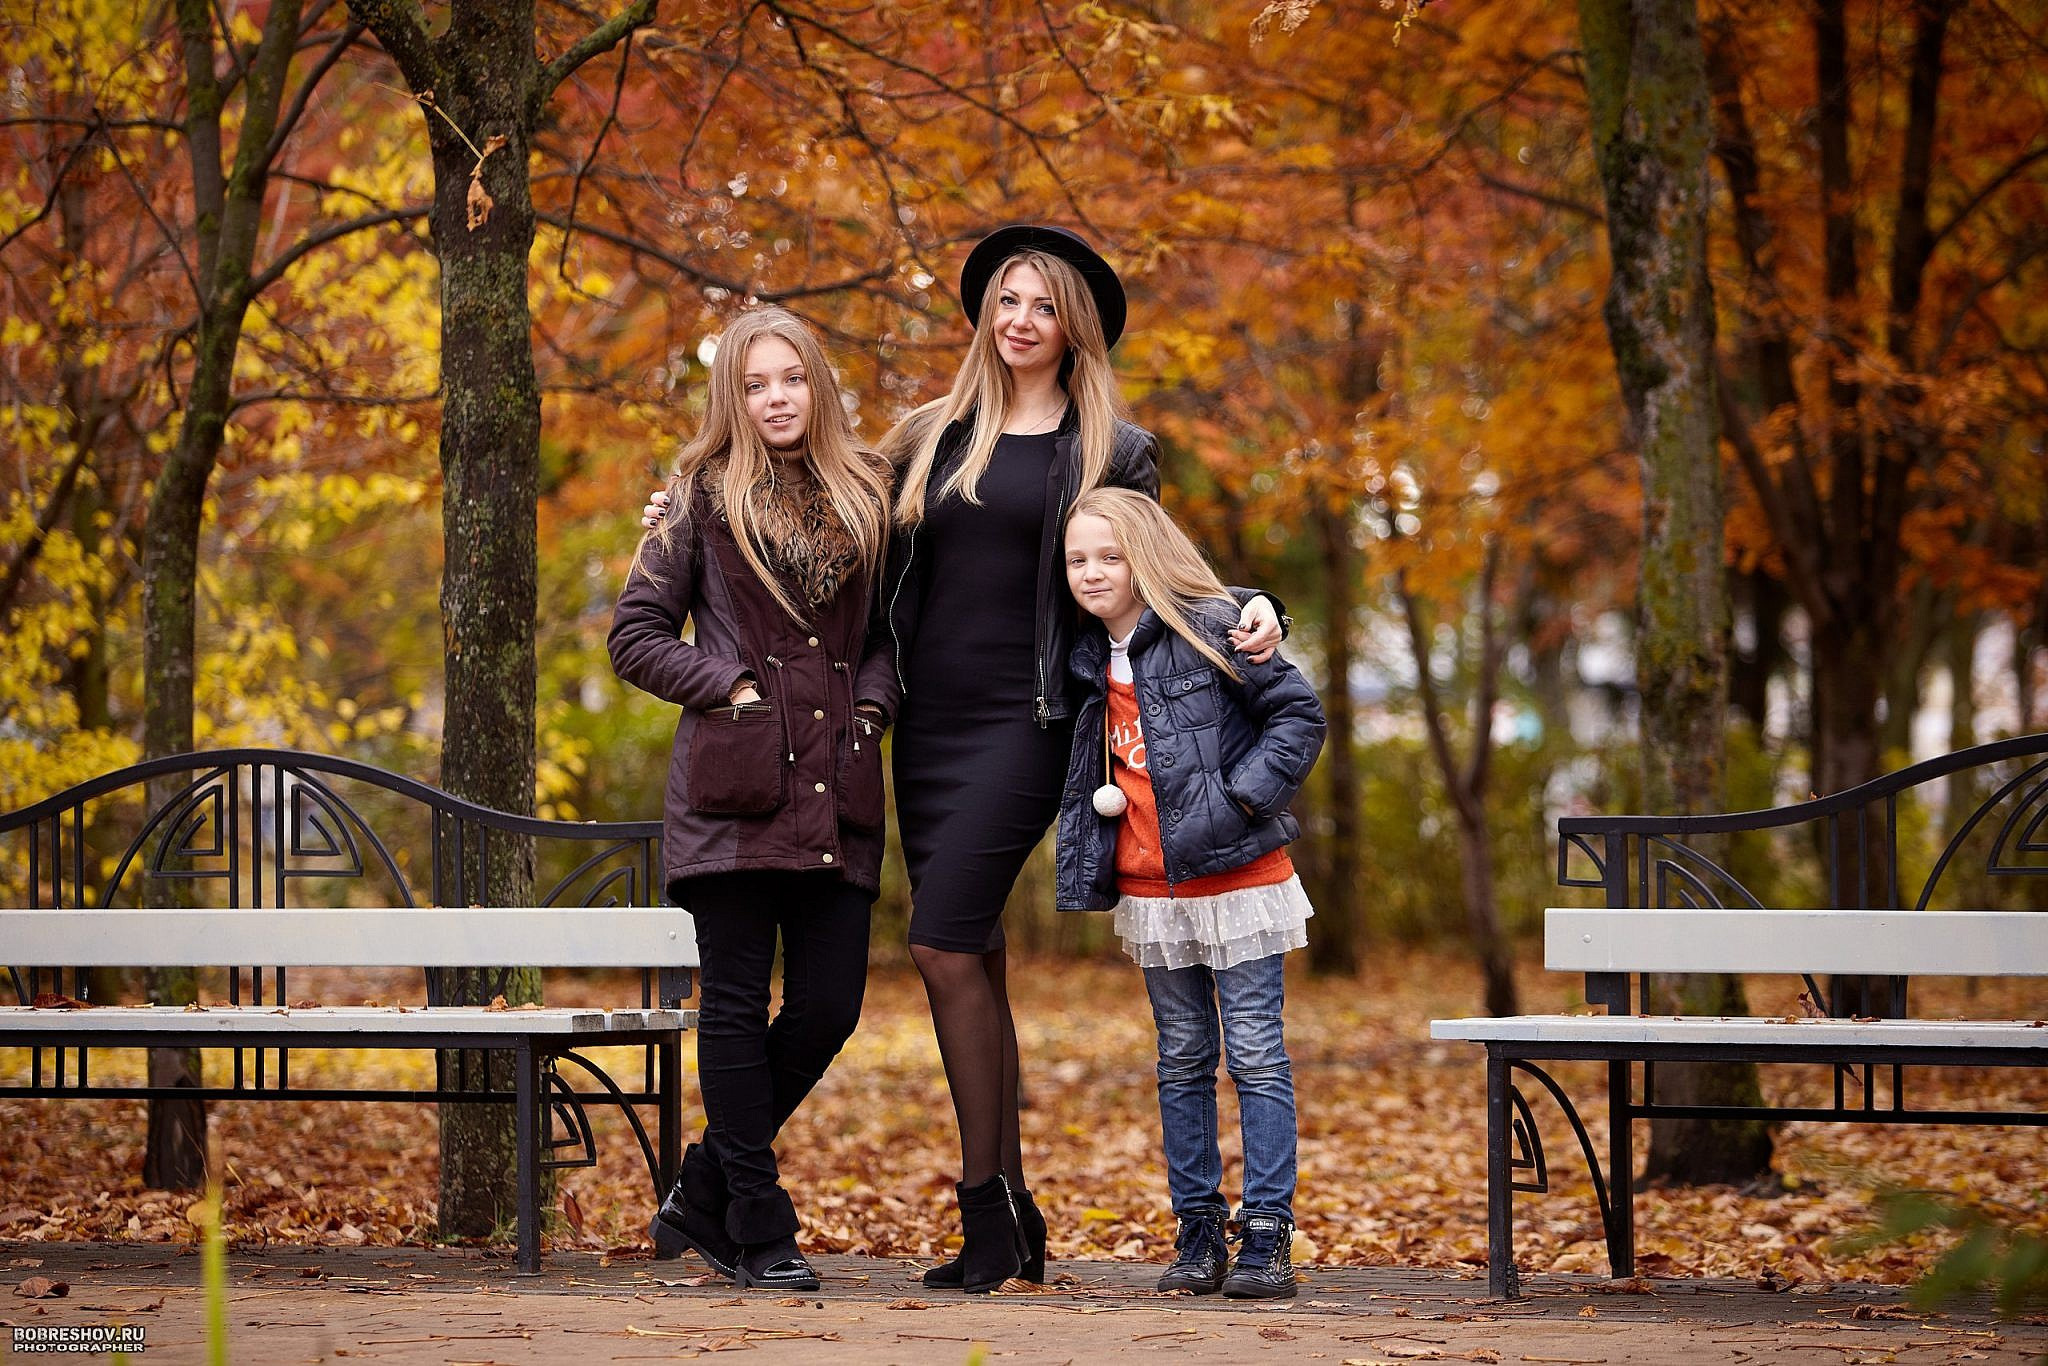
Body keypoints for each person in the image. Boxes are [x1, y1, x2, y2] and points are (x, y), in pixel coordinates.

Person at [643, 225, 1284, 1293]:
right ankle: (1013, 1213)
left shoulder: (1111, 449)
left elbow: (1160, 571)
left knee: (939, 945)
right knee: (974, 953)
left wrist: (1256, 607)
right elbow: (818, 520)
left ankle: (980, 1212)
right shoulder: (925, 436)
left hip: (1028, 724)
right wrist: (680, 499)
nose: (1018, 318)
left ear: (1071, 327)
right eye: (1005, 300)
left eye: (1041, 304)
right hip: (917, 725)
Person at [609, 306, 895, 1292]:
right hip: (731, 791)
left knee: (827, 1007)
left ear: (818, 384)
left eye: (791, 379)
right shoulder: (696, 496)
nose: (775, 398)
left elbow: (887, 639)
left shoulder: (867, 495)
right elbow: (635, 633)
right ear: (731, 396)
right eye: (755, 383)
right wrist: (727, 686)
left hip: (839, 784)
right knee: (732, 1006)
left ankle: (699, 1191)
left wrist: (870, 704)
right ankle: (759, 1225)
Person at [1054, 487, 1325, 1300]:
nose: (1094, 572)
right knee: (1180, 1059)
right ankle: (1198, 1231)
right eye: (1077, 560)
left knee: (1255, 1055)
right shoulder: (1078, 655)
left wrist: (1240, 800)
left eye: (1111, 556)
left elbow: (1298, 717)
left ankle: (1268, 1234)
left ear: (1145, 558)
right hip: (1154, 890)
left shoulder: (1211, 628)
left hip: (1241, 878)